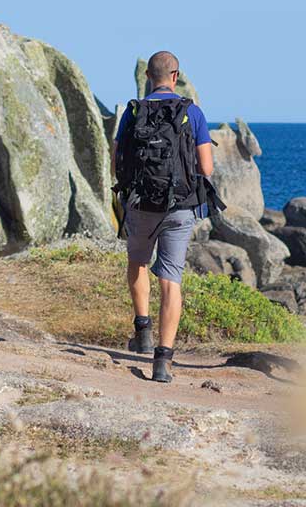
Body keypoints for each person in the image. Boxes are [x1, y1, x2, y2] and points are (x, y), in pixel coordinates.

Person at [112, 50, 214, 383]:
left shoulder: (133, 112)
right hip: (180, 207)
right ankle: (163, 362)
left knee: (138, 262)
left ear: (147, 78)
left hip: (141, 204)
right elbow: (207, 167)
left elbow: (117, 163)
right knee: (170, 281)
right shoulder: (192, 113)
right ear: (176, 76)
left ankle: (142, 331)